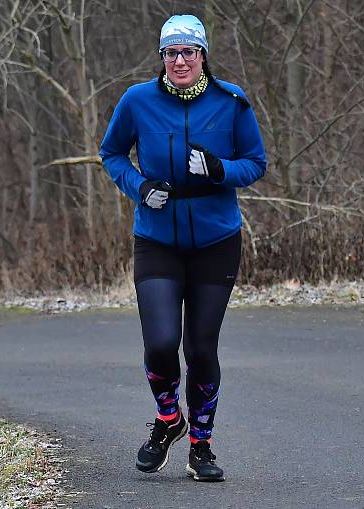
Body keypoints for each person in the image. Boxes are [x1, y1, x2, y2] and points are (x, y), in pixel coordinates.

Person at [99, 14, 266, 482]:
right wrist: (138, 186)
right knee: (160, 344)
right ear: (162, 58)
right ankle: (170, 420)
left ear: (202, 55)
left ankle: (201, 447)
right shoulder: (138, 101)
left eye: (187, 52)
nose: (179, 61)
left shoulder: (231, 102)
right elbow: (110, 153)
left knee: (200, 347)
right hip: (157, 240)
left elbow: (256, 163)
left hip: (216, 241)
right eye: (170, 53)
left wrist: (220, 170)